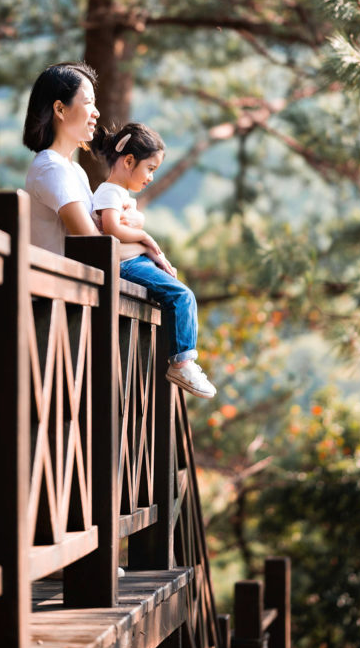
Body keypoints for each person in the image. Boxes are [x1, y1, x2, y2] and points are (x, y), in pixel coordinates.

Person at [91, 122, 216, 400]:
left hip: (135, 261)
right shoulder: (109, 191)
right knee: (181, 294)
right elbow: (111, 227)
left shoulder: (119, 194)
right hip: (126, 265)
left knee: (177, 291)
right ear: (129, 161)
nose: (150, 178)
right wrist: (146, 238)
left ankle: (182, 358)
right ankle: (182, 362)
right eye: (149, 168)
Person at [23, 61, 160, 262]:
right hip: (55, 288)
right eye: (88, 102)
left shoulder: (74, 170)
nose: (96, 112)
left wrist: (135, 220)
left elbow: (104, 231)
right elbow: (96, 247)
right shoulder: (52, 168)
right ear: (60, 109)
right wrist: (145, 247)